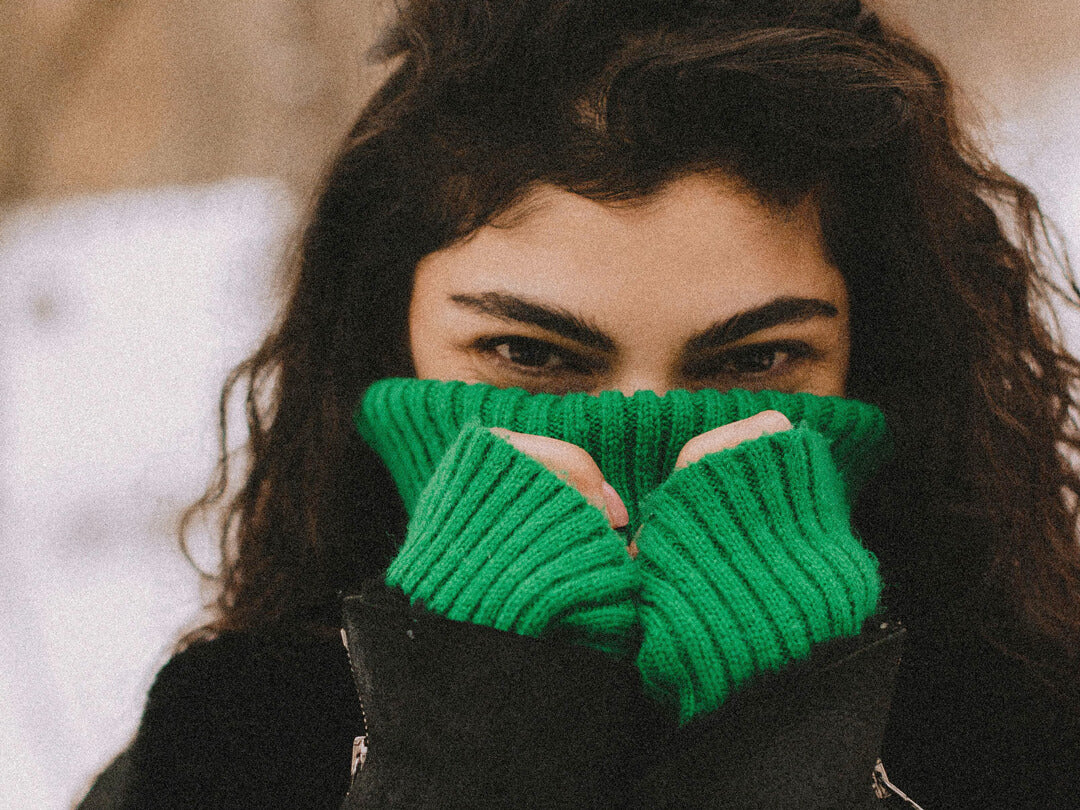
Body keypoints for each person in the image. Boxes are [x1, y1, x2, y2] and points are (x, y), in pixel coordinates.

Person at [79, 0, 1080, 807]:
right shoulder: (229, 742)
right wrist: (455, 746)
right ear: (388, 341)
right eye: (529, 353)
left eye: (757, 357)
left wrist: (793, 738)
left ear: (876, 357)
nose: (644, 431)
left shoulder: (1025, 733)